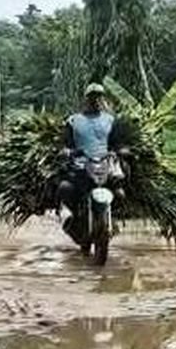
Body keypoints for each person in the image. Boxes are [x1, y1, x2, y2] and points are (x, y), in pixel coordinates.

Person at [58, 83, 124, 247]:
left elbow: (117, 143)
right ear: (86, 99)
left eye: (99, 96)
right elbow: (64, 144)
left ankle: (113, 219)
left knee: (121, 193)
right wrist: (67, 151)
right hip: (81, 167)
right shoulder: (74, 121)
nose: (96, 100)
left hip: (104, 166)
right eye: (92, 97)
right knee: (64, 189)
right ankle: (74, 219)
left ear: (103, 99)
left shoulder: (110, 120)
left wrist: (121, 150)